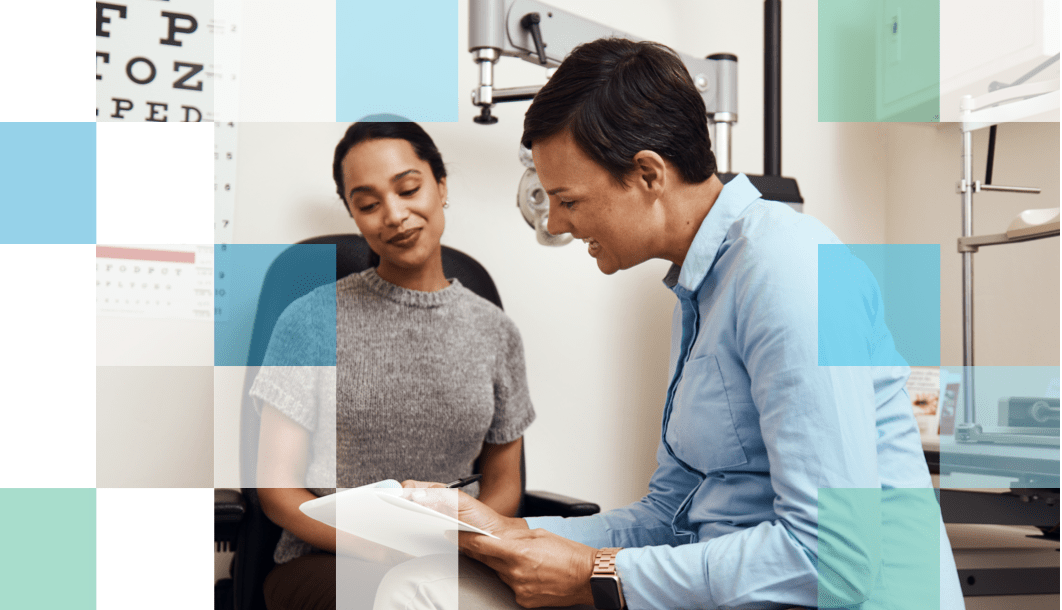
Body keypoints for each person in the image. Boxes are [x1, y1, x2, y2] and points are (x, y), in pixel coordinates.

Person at [392, 38, 965, 610]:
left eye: (568, 199)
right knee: (427, 583)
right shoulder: (702, 290)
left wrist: (598, 575)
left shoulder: (788, 268)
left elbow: (834, 563)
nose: (559, 223)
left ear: (647, 174)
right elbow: (673, 514)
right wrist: (506, 534)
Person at [251, 120, 536, 610]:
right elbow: (278, 489)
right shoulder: (311, 319)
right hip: (327, 560)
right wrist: (380, 549)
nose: (395, 214)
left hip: (452, 557)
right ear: (354, 216)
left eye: (408, 188)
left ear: (441, 186)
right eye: (368, 203)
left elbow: (504, 484)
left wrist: (460, 545)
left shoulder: (495, 331)